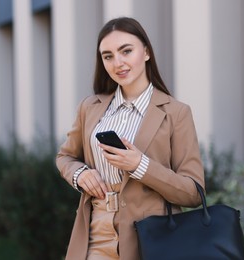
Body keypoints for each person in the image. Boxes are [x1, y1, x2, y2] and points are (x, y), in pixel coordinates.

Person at [56, 17, 205, 260]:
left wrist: (140, 165)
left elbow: (193, 192)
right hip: (96, 231)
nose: (118, 63)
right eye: (108, 56)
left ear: (146, 52)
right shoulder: (90, 107)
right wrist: (80, 173)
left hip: (150, 237)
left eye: (126, 51)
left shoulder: (176, 112)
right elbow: (66, 156)